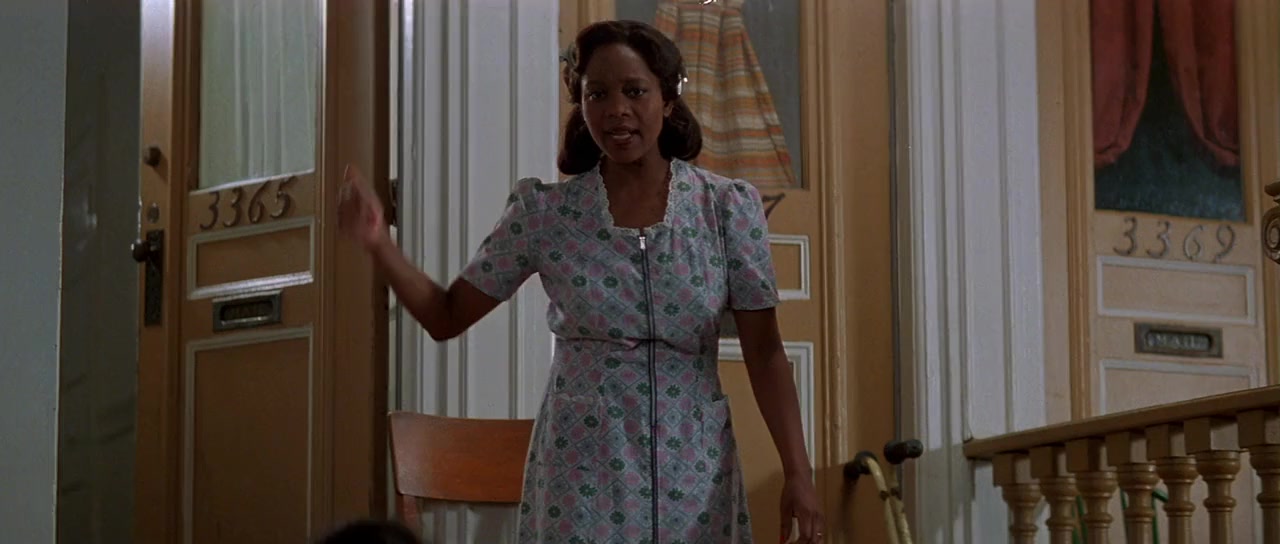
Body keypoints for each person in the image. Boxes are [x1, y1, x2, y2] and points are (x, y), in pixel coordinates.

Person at [338, 19, 823, 544]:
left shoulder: (726, 208)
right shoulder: (544, 213)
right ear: (581, 104)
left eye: (635, 91)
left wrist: (798, 472)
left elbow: (765, 352)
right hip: (582, 473)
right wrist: (378, 243)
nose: (616, 109)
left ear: (668, 99)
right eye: (598, 94)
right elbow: (446, 315)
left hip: (695, 468)